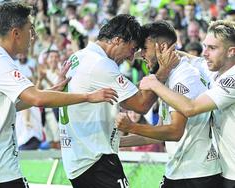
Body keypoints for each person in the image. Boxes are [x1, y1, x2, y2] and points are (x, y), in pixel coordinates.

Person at [0, 2, 118, 188]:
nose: (34, 36)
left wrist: (52, 91)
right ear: (16, 33)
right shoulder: (0, 63)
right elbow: (37, 98)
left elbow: (10, 104)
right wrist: (88, 97)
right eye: (30, 29)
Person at [58, 14, 179, 188]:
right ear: (117, 40)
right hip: (95, 161)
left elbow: (128, 92)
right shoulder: (101, 64)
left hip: (78, 158)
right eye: (132, 49)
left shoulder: (79, 56)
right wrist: (162, 72)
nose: (131, 58)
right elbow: (141, 105)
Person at [116, 20, 221, 188]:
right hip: (179, 171)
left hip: (197, 176)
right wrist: (117, 143)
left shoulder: (184, 77)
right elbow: (159, 130)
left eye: (145, 48)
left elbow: (174, 131)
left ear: (162, 48)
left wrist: (131, 127)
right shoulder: (167, 75)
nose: (141, 54)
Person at [139, 20, 235, 188]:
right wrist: (161, 51)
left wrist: (154, 82)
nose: (205, 53)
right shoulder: (216, 70)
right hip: (224, 169)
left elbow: (191, 108)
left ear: (231, 52)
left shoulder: (232, 80)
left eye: (212, 48)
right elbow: (194, 59)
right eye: (205, 46)